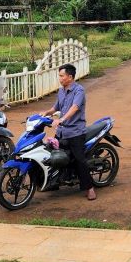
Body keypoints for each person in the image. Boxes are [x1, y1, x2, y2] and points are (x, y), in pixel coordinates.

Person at [42, 63, 96, 200]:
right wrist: (47, 112)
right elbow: (56, 107)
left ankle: (89, 188)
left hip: (76, 131)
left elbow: (75, 107)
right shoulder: (61, 91)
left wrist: (62, 119)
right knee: (52, 155)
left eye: (61, 75)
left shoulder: (79, 91)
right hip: (61, 131)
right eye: (59, 75)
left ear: (70, 77)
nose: (59, 78)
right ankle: (54, 182)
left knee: (79, 160)